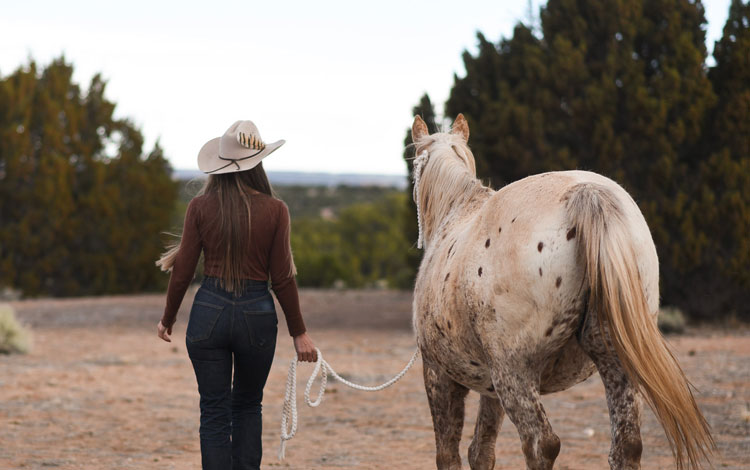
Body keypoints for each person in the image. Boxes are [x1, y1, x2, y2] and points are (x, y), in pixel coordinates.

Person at [155, 120, 317, 470]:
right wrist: (299, 332)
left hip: (208, 312)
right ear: (258, 162)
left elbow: (182, 270)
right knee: (247, 406)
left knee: (213, 411)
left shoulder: (199, 206)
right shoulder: (276, 210)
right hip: (257, 316)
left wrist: (167, 319)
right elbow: (283, 279)